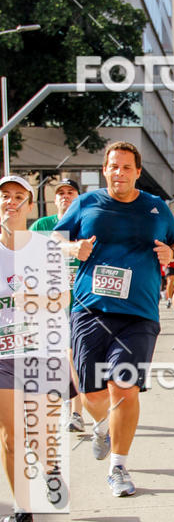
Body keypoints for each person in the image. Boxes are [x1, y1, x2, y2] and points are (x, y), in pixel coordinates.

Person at [55, 142, 174, 497]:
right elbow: (54, 238)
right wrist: (72, 249)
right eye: (114, 167)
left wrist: (171, 252)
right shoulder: (87, 204)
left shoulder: (155, 208)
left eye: (127, 167)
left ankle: (119, 467)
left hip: (138, 313)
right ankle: (102, 426)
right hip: (89, 309)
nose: (120, 173)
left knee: (123, 387)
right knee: (92, 391)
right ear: (105, 169)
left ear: (138, 172)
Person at [0, 175, 70, 522]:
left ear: (29, 206)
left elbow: (61, 302)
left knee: (39, 436)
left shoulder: (44, 248)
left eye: (18, 197)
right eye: (5, 196)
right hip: (2, 356)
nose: (10, 202)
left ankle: (50, 468)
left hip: (39, 351)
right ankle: (22, 509)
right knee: (12, 437)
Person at [31, 178, 85, 432]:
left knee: (72, 356)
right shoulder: (43, 225)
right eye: (60, 193)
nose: (65, 196)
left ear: (78, 196)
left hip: (82, 302)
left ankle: (76, 412)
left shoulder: (86, 224)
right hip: (51, 301)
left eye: (70, 192)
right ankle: (70, 405)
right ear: (54, 199)